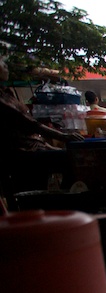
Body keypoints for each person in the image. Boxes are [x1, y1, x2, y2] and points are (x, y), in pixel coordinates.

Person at [1, 55, 84, 195]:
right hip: (22, 152)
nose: (6, 67)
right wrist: (63, 136)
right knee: (70, 160)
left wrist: (50, 145)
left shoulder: (7, 93)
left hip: (34, 146)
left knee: (71, 157)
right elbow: (29, 124)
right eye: (3, 65)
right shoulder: (3, 101)